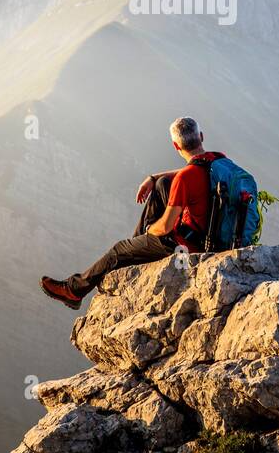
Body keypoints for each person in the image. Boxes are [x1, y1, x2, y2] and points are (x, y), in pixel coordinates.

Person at [40, 117, 224, 310]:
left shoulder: (185, 179)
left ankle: (74, 291)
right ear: (201, 137)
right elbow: (194, 168)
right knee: (162, 184)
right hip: (215, 238)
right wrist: (154, 178)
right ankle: (136, 248)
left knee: (118, 250)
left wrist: (151, 230)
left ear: (176, 146)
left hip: (187, 248)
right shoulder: (220, 161)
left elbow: (166, 227)